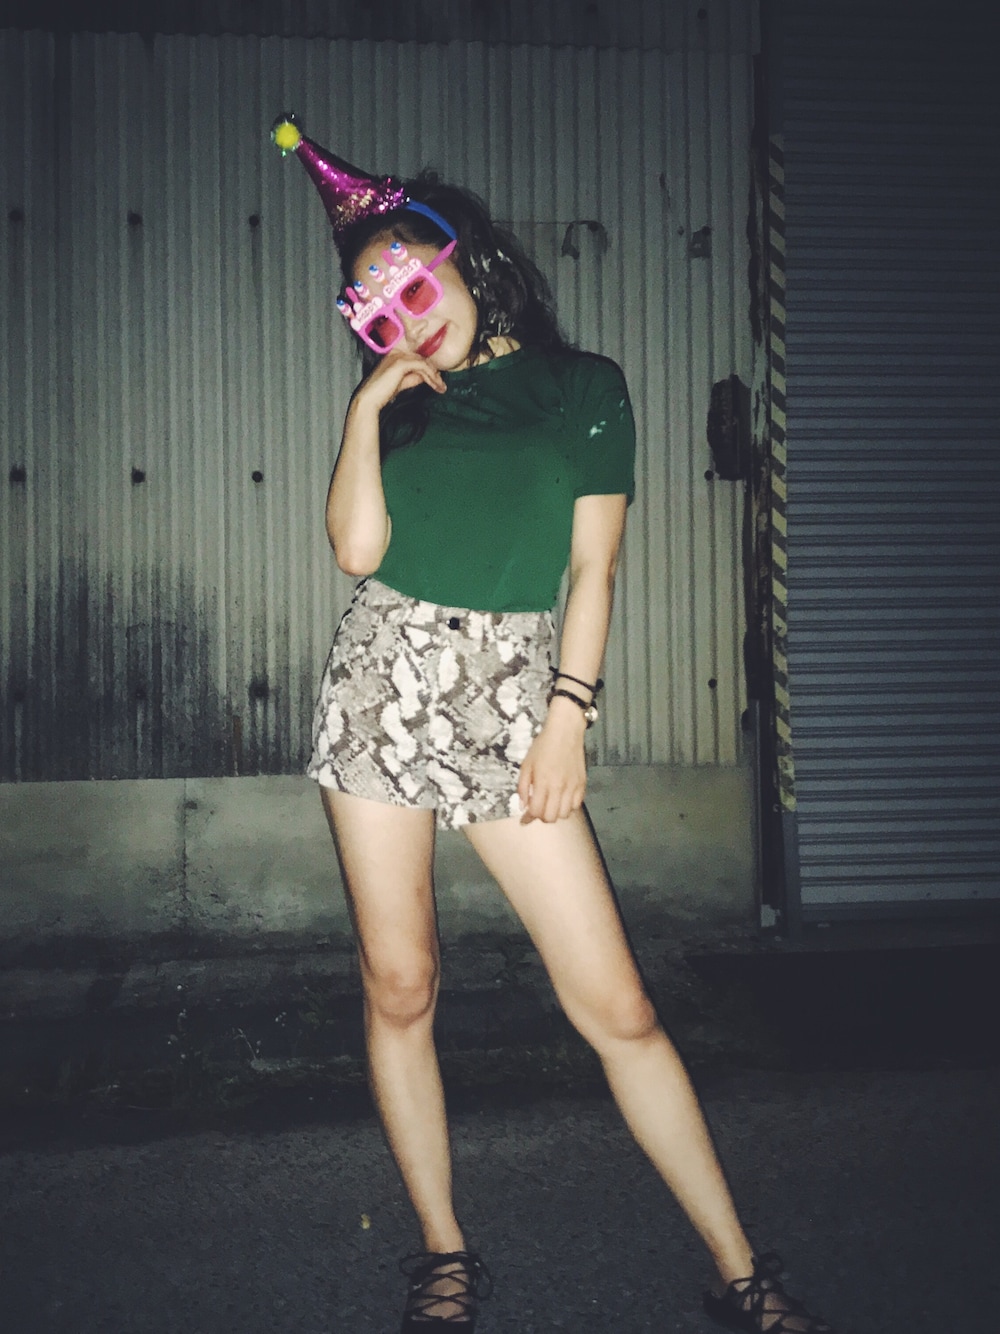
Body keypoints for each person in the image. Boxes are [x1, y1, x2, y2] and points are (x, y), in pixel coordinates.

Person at [272, 114, 835, 1334]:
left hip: (515, 694)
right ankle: (442, 1252)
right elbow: (356, 552)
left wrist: (565, 715)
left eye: (412, 279)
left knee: (617, 1005)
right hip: (380, 685)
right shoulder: (399, 403)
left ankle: (740, 1269)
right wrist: (366, 409)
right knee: (401, 983)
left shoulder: (584, 387)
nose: (403, 312)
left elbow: (593, 569)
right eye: (374, 305)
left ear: (464, 257)